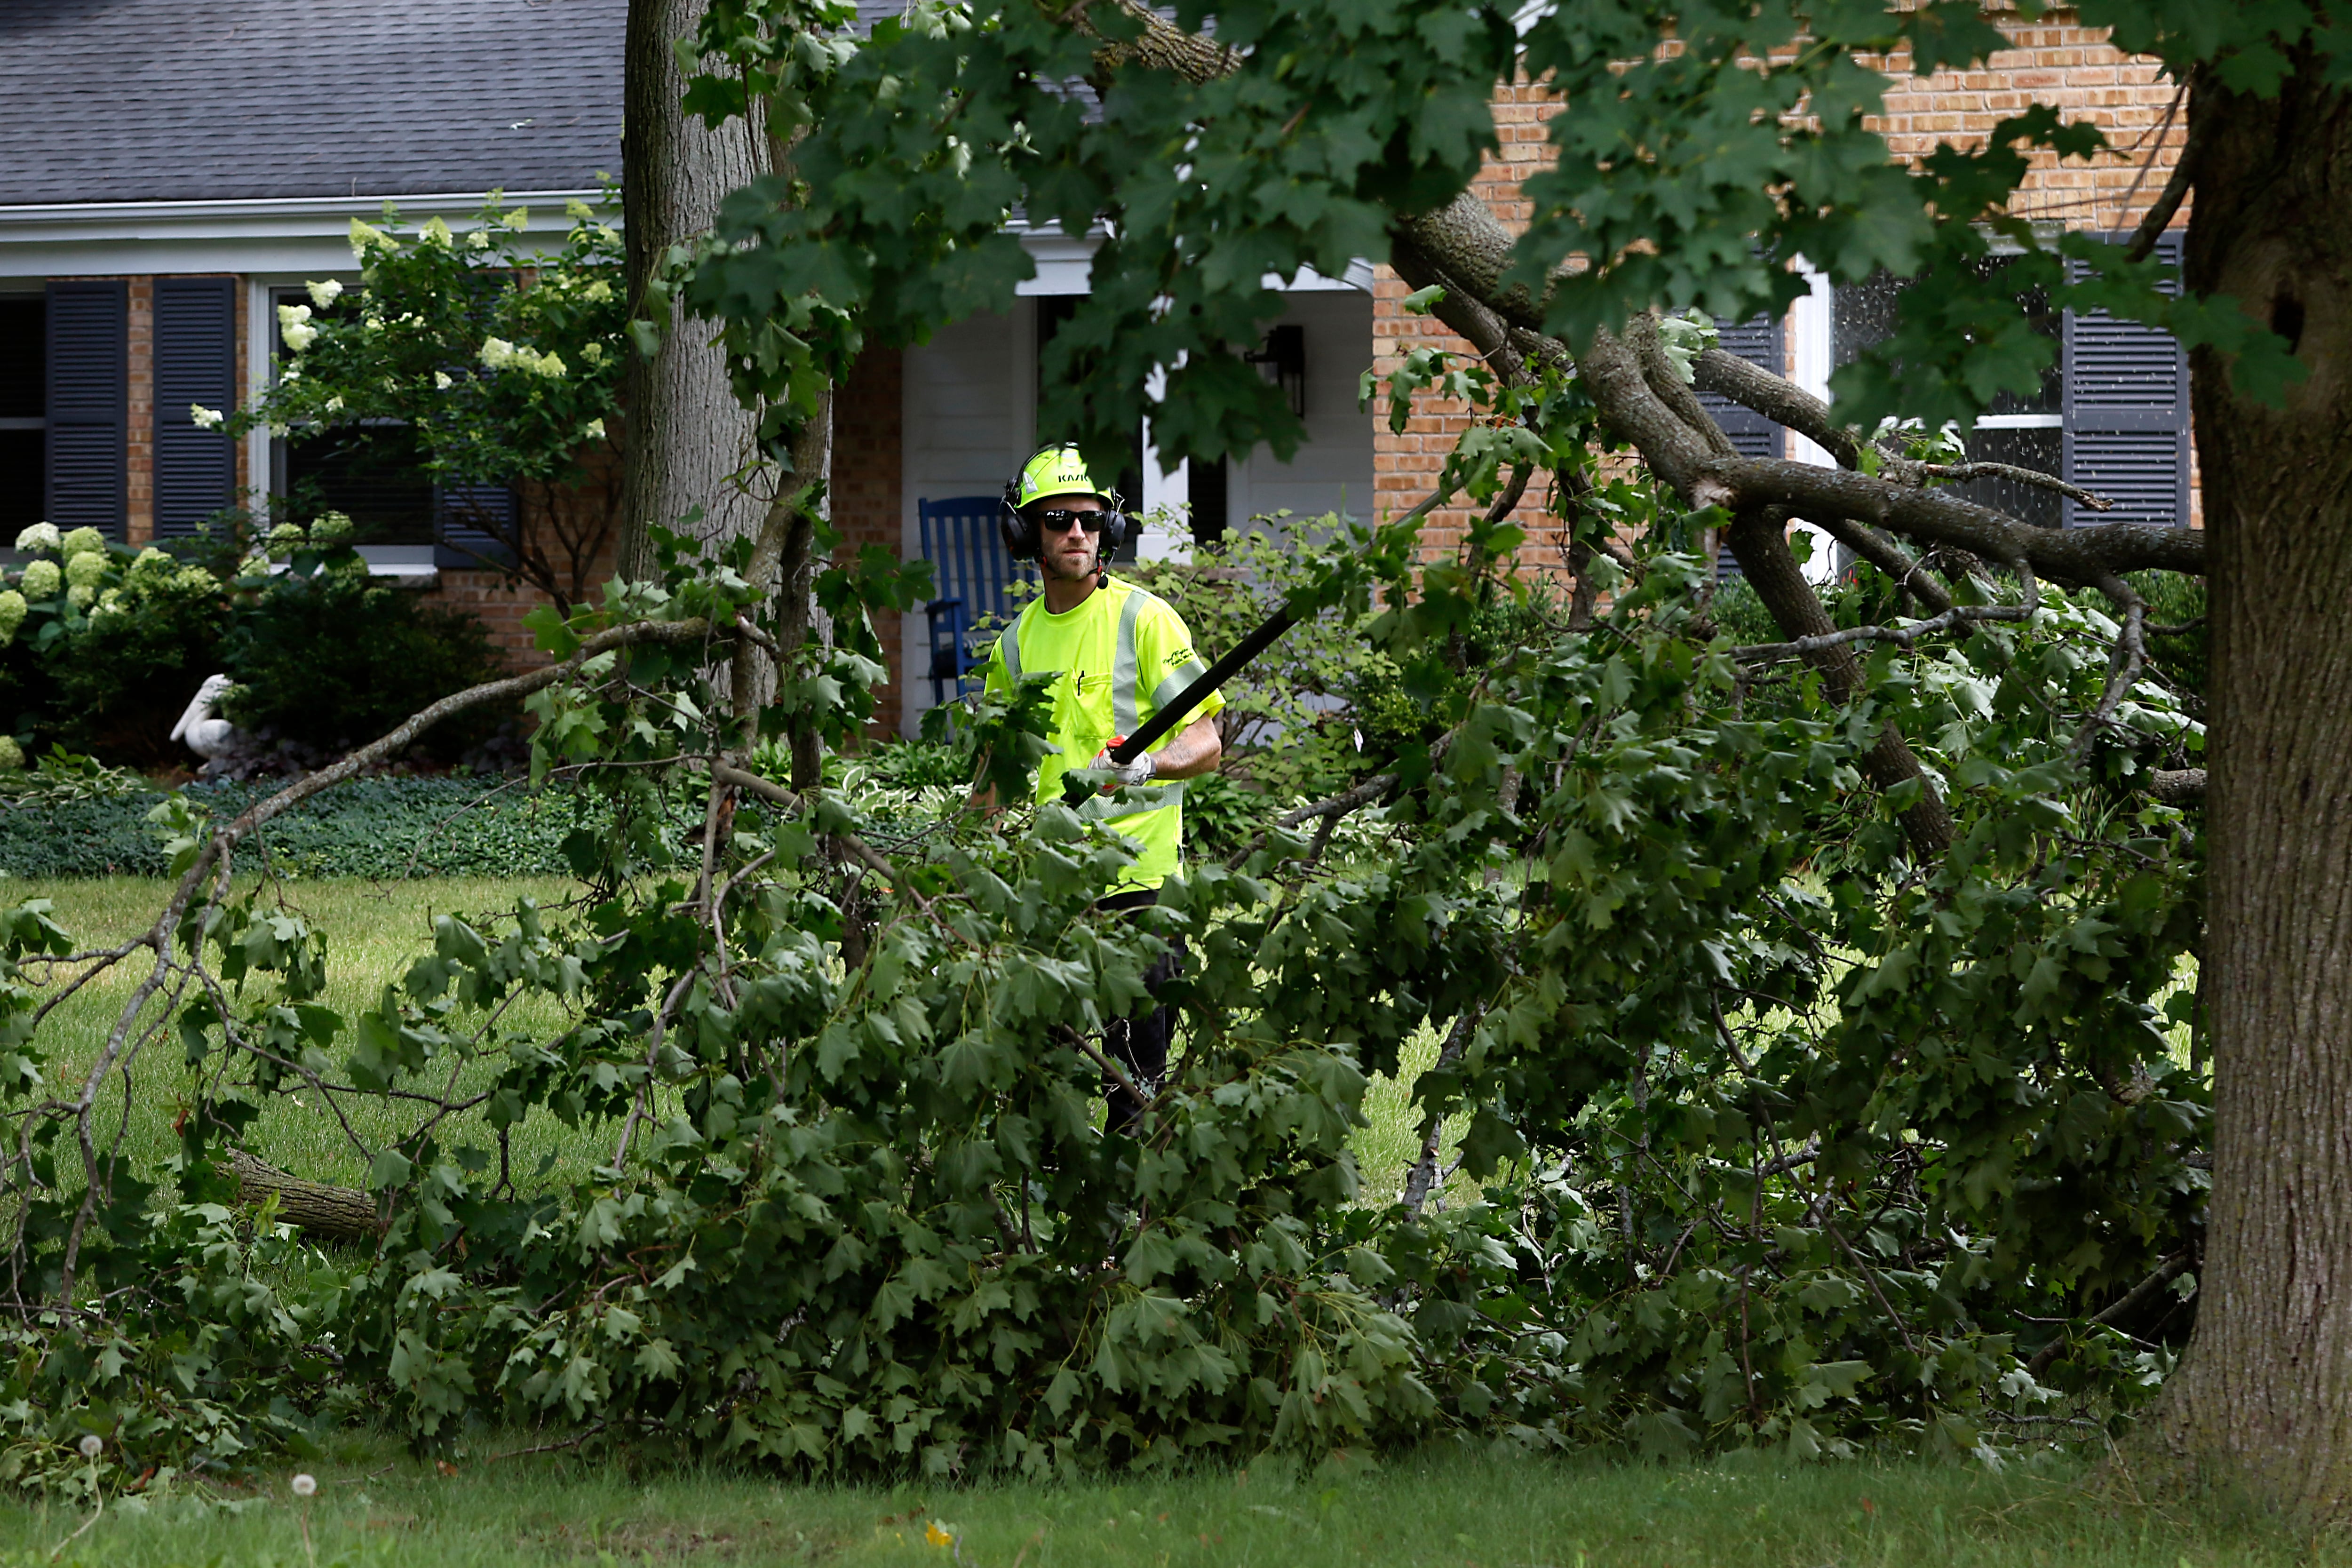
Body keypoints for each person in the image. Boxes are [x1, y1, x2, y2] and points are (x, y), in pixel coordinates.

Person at [977, 444, 1224, 1127]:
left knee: (1136, 1088)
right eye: (1057, 521)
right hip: (1048, 889)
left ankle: (1129, 1227)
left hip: (1138, 887)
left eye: (1089, 520)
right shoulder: (1014, 646)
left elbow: (1207, 741)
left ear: (1108, 530)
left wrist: (1148, 764)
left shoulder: (1145, 619)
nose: (1076, 534)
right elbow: (994, 772)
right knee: (1039, 1083)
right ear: (1027, 534)